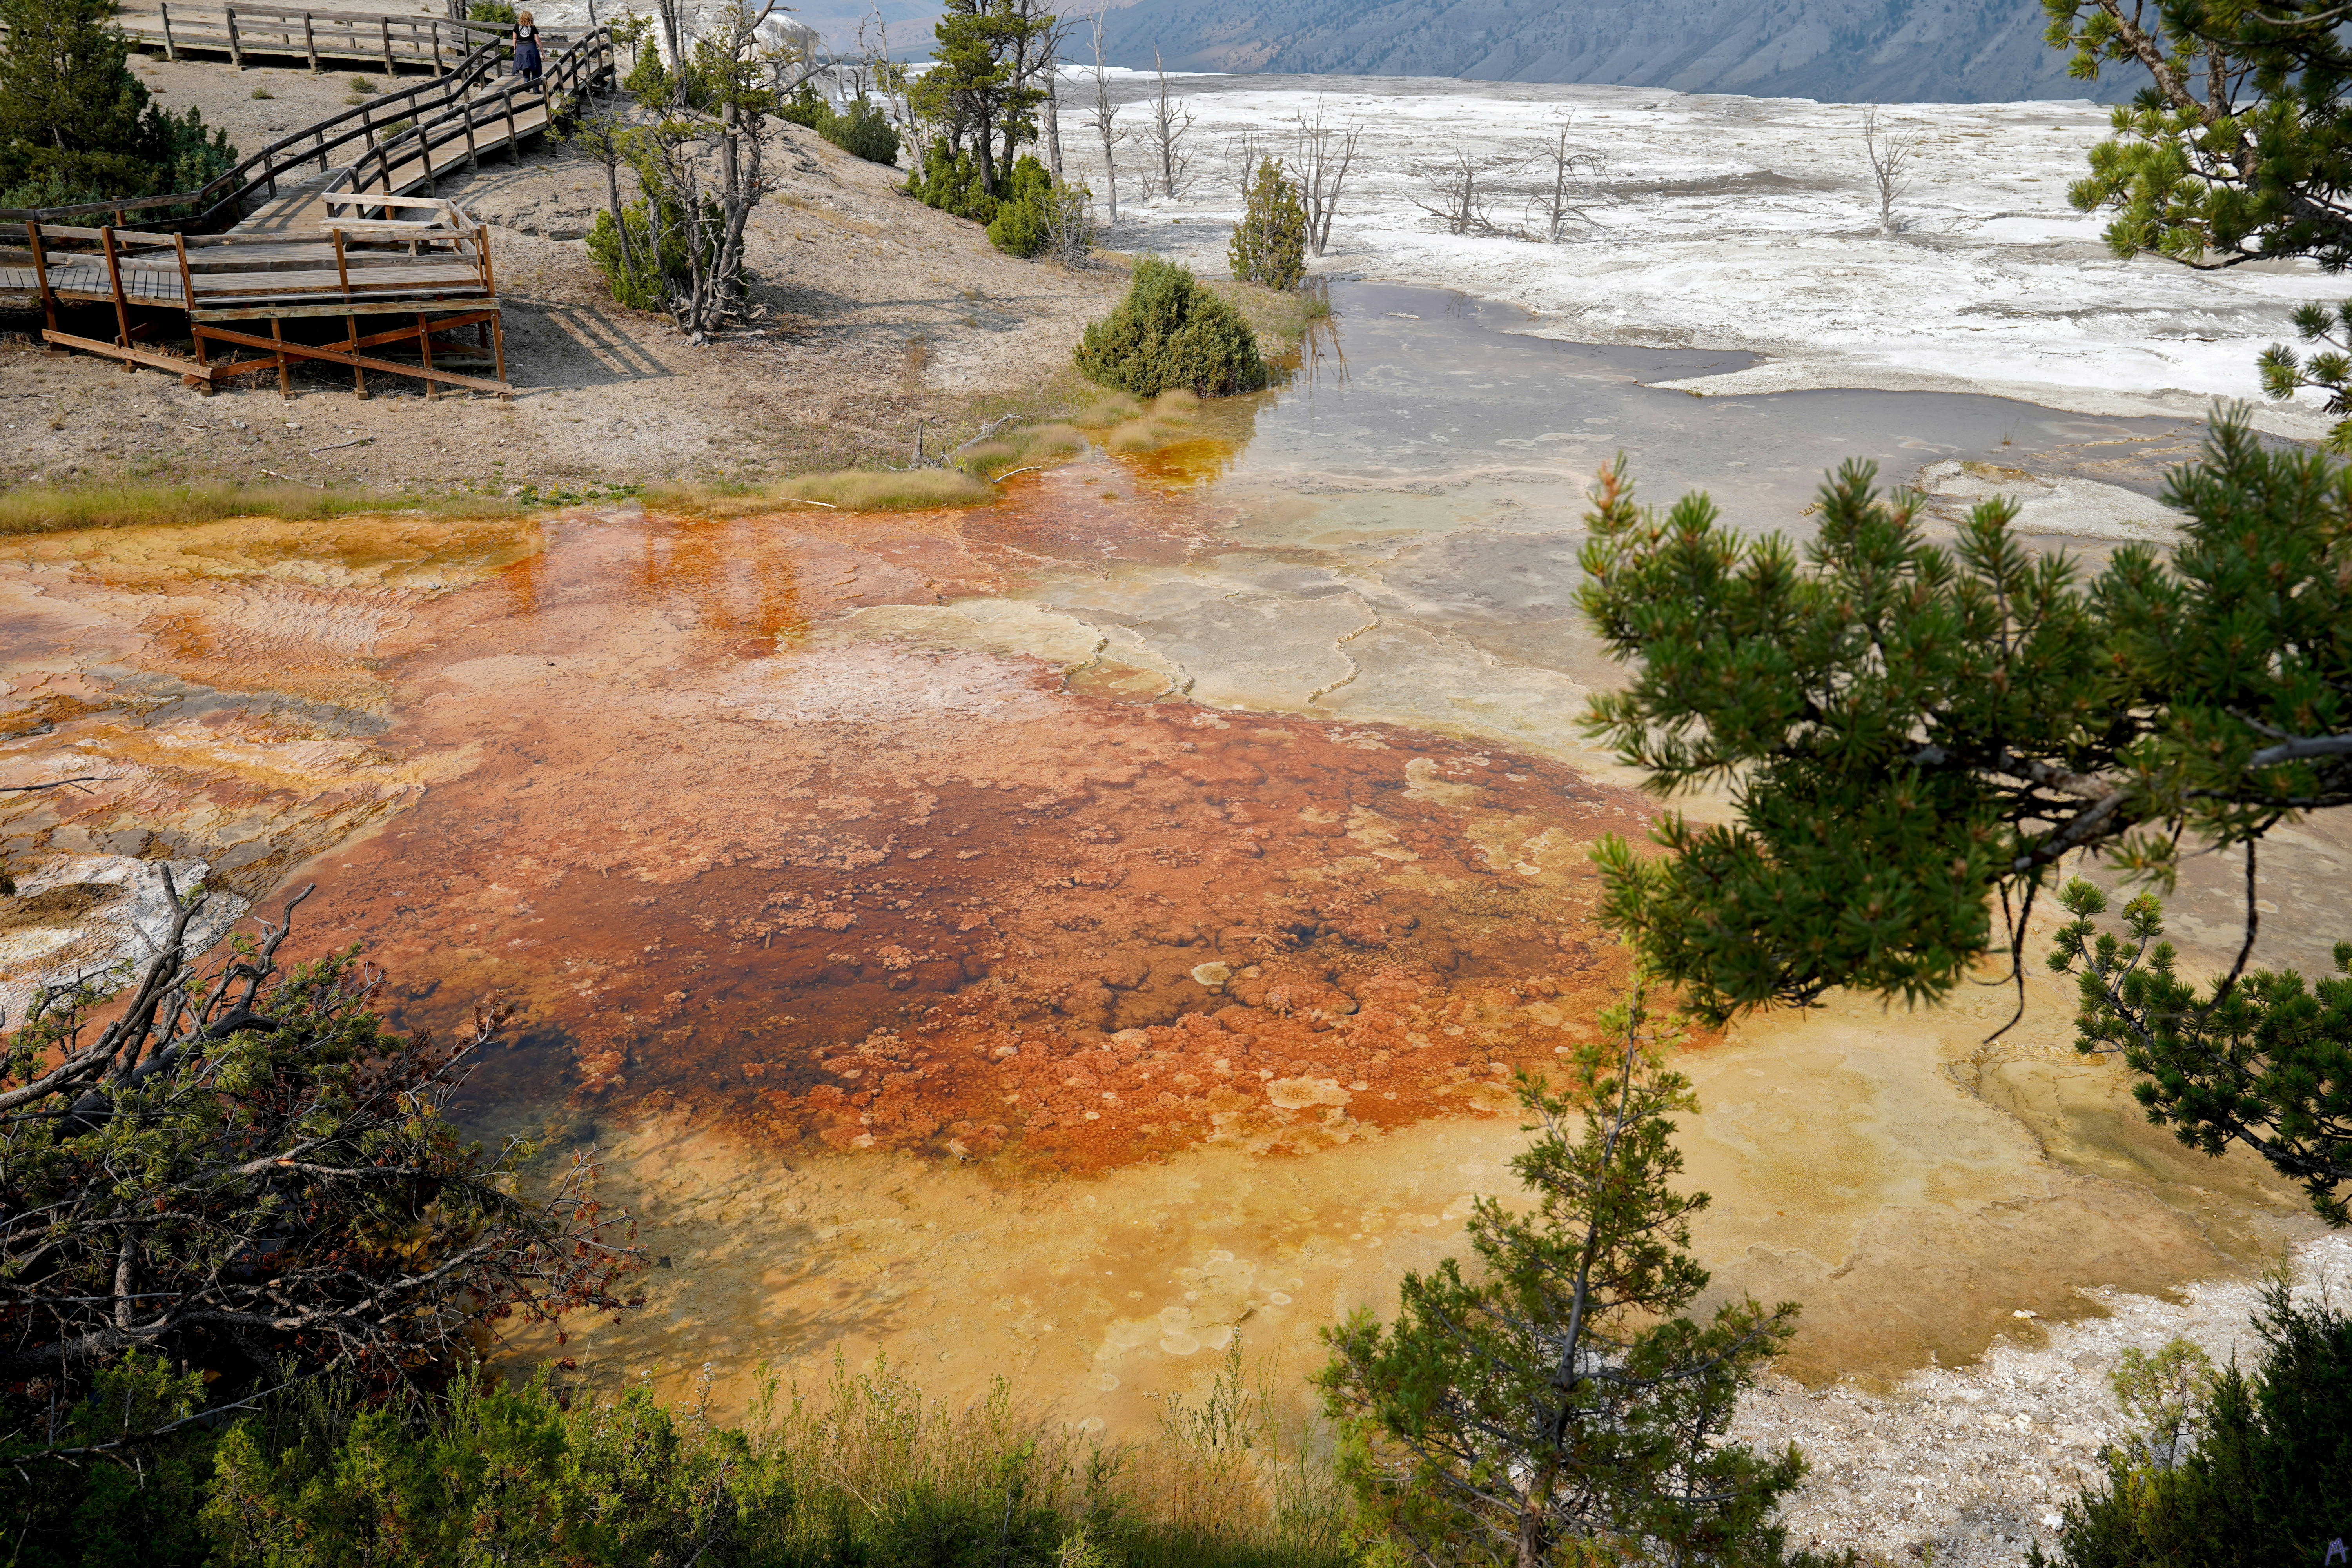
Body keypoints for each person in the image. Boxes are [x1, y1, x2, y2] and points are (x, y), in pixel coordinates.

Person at [512, 10, 542, 84]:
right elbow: (538, 40)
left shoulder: (517, 26)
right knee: (535, 69)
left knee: (525, 68)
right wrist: (542, 51)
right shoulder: (532, 27)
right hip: (531, 49)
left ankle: (526, 84)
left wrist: (515, 48)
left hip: (521, 50)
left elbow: (514, 38)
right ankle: (536, 90)